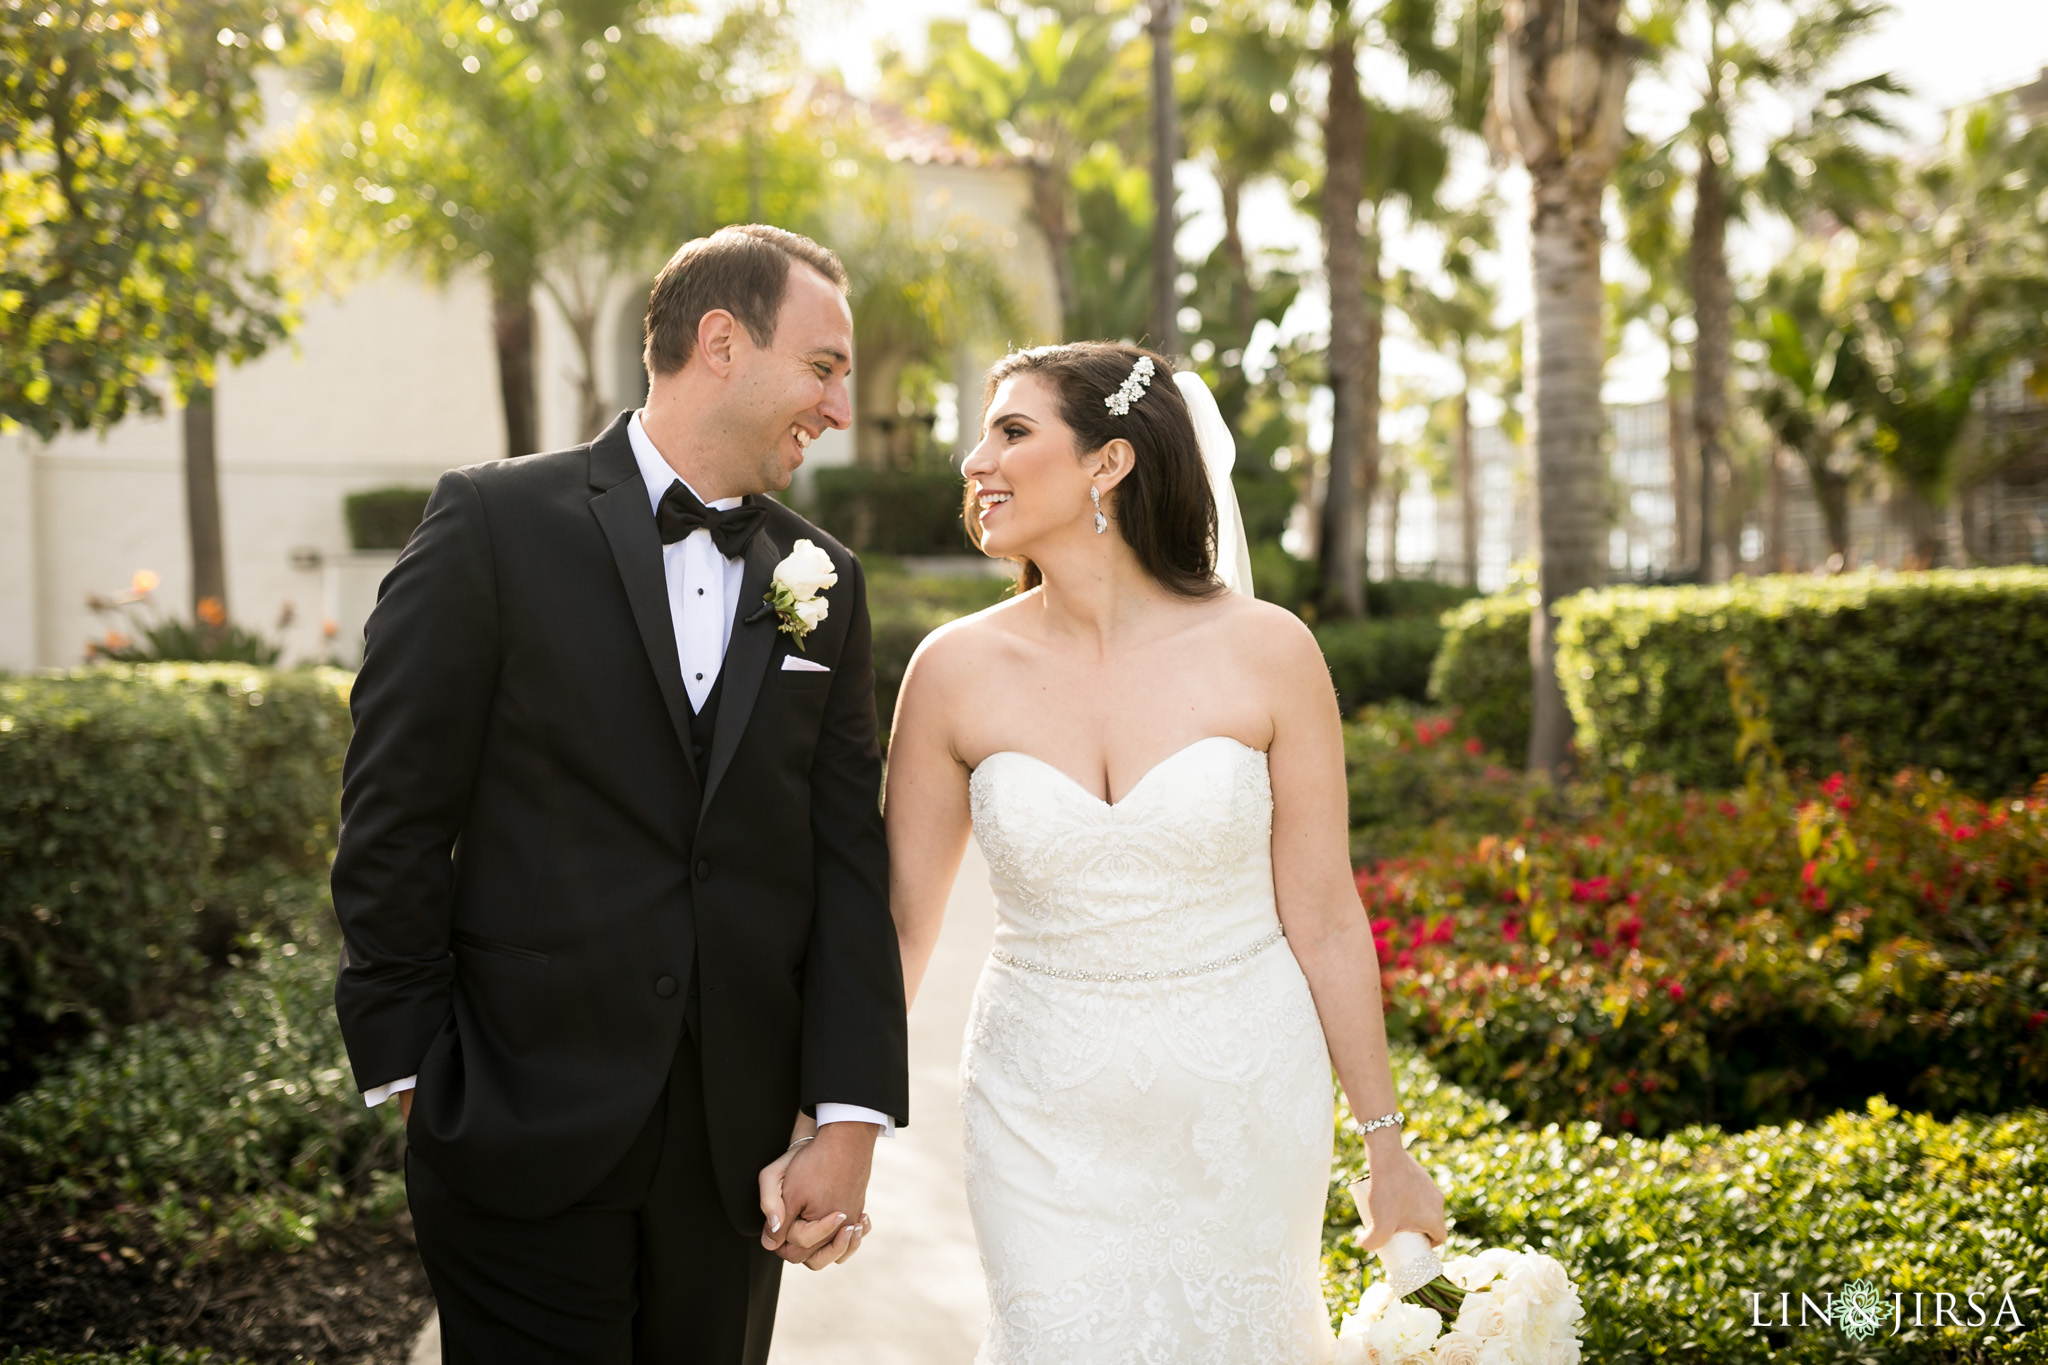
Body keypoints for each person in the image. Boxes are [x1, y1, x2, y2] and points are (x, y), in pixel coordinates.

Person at [330, 224, 907, 1365]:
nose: (838, 408)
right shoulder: (491, 524)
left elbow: (846, 869)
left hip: (731, 1159)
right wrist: (415, 1075)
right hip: (512, 1123)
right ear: (721, 342)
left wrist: (846, 1119)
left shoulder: (824, 584)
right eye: (825, 366)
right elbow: (392, 811)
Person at [882, 342, 1448, 1363]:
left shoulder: (1270, 650)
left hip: (1240, 1101)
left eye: (1011, 431)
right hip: (1036, 1111)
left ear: (1107, 463)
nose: (974, 460)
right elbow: (899, 928)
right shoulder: (951, 671)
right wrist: (826, 1128)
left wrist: (1384, 1147)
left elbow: (1320, 915)